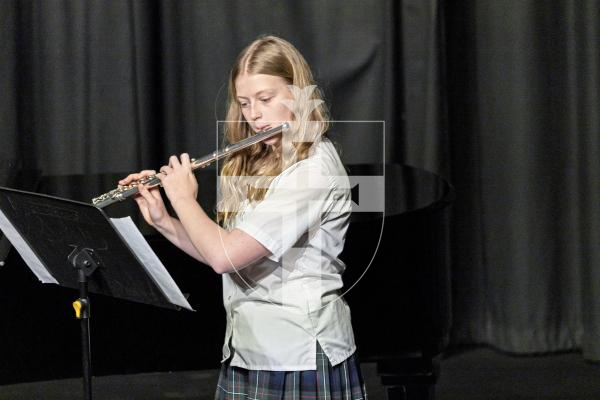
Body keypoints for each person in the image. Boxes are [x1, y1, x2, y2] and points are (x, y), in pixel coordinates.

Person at [119, 35, 368, 399]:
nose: (254, 115)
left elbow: (224, 257)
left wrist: (184, 199)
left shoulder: (312, 170)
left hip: (298, 354)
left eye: (266, 100)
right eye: (245, 103)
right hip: (249, 350)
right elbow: (227, 253)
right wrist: (162, 220)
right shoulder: (262, 158)